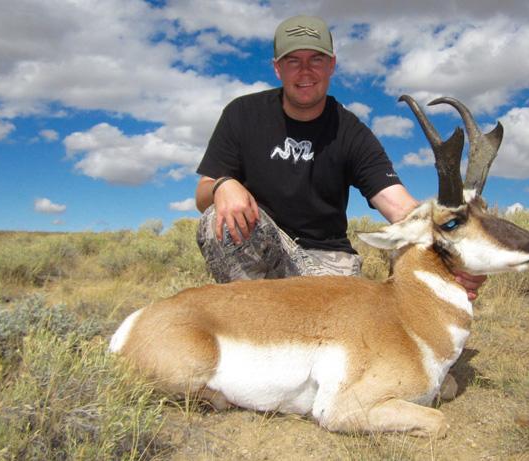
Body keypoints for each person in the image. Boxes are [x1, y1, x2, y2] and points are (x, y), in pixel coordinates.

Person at [195, 15, 486, 299]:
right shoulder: (243, 114)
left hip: (327, 259)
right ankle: (254, 320)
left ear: (331, 65)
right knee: (214, 220)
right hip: (265, 250)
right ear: (277, 68)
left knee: (413, 243)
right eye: (293, 61)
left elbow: (400, 208)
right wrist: (222, 184)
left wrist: (454, 246)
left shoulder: (351, 132)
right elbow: (202, 194)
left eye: (316, 60)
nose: (305, 71)